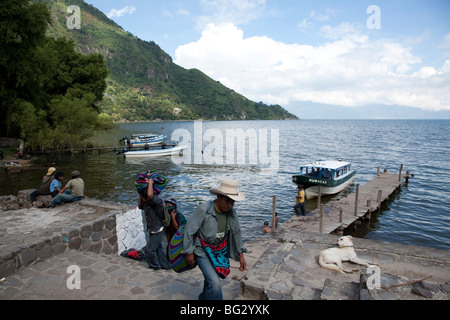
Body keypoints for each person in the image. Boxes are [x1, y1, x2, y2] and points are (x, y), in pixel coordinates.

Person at [183, 180, 247, 300]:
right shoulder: (204, 209)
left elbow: (236, 233)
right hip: (201, 251)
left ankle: (203, 298)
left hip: (219, 252)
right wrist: (189, 252)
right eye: (227, 200)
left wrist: (241, 255)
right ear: (218, 196)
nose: (229, 205)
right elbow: (189, 230)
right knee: (214, 282)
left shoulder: (231, 213)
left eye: (232, 202)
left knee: (210, 281)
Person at [136, 171, 171, 271]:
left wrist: (150, 183)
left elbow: (150, 196)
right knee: (159, 248)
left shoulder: (157, 201)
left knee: (150, 250)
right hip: (152, 229)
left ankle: (155, 266)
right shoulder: (146, 203)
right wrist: (140, 195)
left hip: (158, 230)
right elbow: (139, 206)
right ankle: (165, 265)